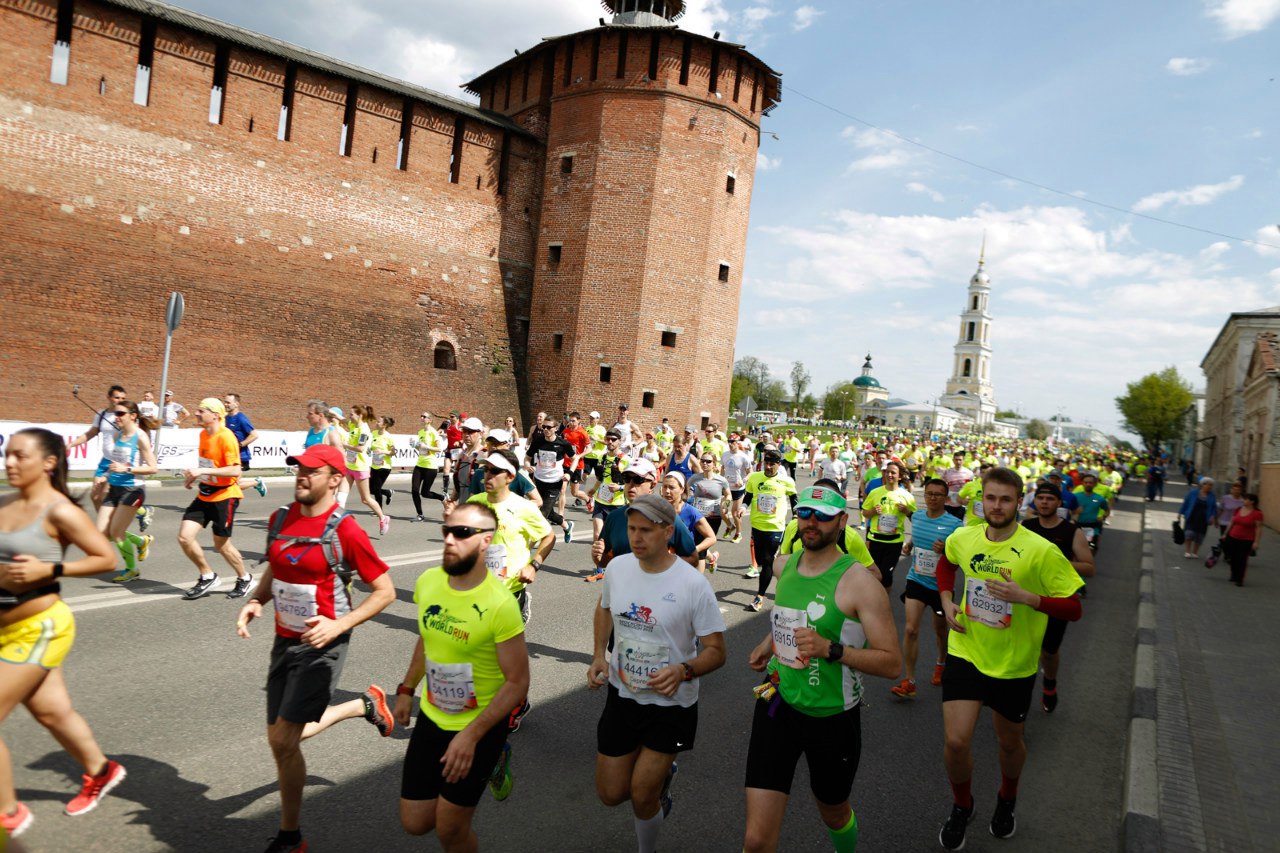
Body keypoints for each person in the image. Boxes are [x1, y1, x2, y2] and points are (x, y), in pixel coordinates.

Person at [234, 444, 397, 853]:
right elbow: (277, 563)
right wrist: (257, 600)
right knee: (280, 739)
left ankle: (291, 837)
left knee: (285, 741)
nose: (301, 477)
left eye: (311, 471)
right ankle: (362, 705)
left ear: (335, 479)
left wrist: (338, 625)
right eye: (298, 470)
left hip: (325, 643)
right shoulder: (280, 518)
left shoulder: (345, 530)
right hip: (285, 639)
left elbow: (385, 591)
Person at [741, 484, 900, 853]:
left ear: (842, 521)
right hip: (778, 703)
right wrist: (769, 644)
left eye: (824, 516)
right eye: (806, 513)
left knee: (833, 812)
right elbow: (789, 616)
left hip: (832, 719)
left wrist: (832, 649)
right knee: (756, 839)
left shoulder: (861, 583)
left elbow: (892, 663)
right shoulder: (785, 565)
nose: (812, 522)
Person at [934, 467, 1084, 849]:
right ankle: (961, 805)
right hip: (966, 649)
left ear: (1020, 502)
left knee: (1009, 743)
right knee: (955, 742)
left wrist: (1029, 598)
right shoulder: (964, 537)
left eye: (1005, 499)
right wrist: (948, 600)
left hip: (1013, 663)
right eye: (990, 498)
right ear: (980, 499)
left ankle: (1007, 798)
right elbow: (947, 564)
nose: (996, 506)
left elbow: (1073, 607)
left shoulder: (1041, 550)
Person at [0, 428, 123, 838]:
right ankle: (101, 771)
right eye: (7, 454)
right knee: (52, 712)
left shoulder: (59, 511)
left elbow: (106, 558)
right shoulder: (6, 504)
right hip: (6, 629)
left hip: (40, 627)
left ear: (49, 462)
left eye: (20, 455)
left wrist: (49, 569)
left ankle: (7, 815)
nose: (10, 462)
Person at [587, 494, 727, 853]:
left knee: (640, 796)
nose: (636, 537)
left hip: (671, 705)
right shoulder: (618, 568)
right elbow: (604, 609)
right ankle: (661, 781)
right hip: (623, 695)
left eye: (646, 530)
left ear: (668, 532)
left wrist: (683, 670)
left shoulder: (692, 584)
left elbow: (716, 652)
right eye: (632, 529)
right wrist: (598, 657)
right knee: (609, 794)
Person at [389, 501, 531, 851]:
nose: (450, 540)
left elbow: (518, 683)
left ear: (485, 541)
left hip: (479, 728)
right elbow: (427, 638)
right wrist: (407, 688)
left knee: (450, 830)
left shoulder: (500, 604)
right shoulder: (428, 582)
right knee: (415, 822)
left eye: (462, 533)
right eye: (447, 531)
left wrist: (471, 736)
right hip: (434, 719)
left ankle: (494, 753)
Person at [459, 448, 554, 635]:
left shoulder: (524, 508)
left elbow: (549, 536)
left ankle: (522, 603)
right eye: (486, 470)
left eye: (495, 471)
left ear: (510, 477)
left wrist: (534, 565)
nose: (488, 476)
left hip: (510, 588)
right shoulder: (474, 503)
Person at [1021, 483, 1095, 713]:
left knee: (1049, 651)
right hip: (1025, 597)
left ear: (1059, 503)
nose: (1044, 502)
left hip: (1056, 599)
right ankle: (1017, 695)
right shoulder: (1027, 526)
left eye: (1049, 499)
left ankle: (1049, 684)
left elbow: (1089, 567)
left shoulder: (1071, 531)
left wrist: (1058, 563)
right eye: (1040, 498)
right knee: (1023, 649)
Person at [891, 477, 963, 698]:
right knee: (911, 629)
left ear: (946, 497)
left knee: (940, 631)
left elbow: (960, 558)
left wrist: (946, 551)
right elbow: (919, 538)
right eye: (929, 494)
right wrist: (910, 544)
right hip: (917, 580)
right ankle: (909, 680)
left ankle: (941, 662)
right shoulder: (919, 517)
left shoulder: (955, 525)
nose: (932, 498)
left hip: (941, 586)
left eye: (937, 495)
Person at [177, 398, 254, 600]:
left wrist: (202, 469)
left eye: (201, 411)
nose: (196, 414)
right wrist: (194, 476)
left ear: (215, 415)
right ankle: (207, 575)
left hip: (225, 496)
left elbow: (235, 470)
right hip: (205, 493)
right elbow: (208, 464)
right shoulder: (203, 434)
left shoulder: (226, 437)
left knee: (221, 545)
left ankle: (244, 578)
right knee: (185, 537)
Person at [588, 458, 698, 582]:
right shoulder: (614, 517)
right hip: (623, 591)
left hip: (657, 594)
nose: (631, 484)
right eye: (627, 479)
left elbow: (693, 558)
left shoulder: (667, 517)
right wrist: (597, 558)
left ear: (652, 485)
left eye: (638, 480)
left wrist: (661, 567)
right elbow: (605, 561)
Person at [95, 401, 159, 583]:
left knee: (116, 532)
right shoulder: (118, 434)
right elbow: (114, 463)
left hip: (132, 489)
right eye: (116, 413)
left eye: (121, 413)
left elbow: (153, 468)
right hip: (114, 488)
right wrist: (105, 476)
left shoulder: (140, 437)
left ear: (133, 415)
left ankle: (132, 570)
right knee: (102, 533)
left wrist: (127, 470)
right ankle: (140, 542)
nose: (117, 417)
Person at [742, 448, 798, 611]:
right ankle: (780, 571)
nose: (767, 467)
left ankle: (759, 596)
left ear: (778, 465)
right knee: (761, 561)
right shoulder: (755, 477)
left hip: (775, 526)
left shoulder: (786, 481)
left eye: (771, 464)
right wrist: (743, 507)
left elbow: (794, 498)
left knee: (767, 560)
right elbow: (749, 495)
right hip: (757, 525)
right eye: (766, 463)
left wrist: (795, 516)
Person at [66, 384, 127, 512]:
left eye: (123, 398)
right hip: (105, 460)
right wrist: (71, 445)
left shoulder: (125, 416)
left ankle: (109, 526)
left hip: (119, 461)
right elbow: (90, 434)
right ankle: (104, 524)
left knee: (106, 496)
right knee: (94, 495)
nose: (120, 401)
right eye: (117, 397)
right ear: (109, 398)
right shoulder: (102, 414)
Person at [860, 461, 917, 590]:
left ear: (900, 476)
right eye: (887, 472)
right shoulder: (875, 492)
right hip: (875, 540)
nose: (889, 475)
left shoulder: (907, 496)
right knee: (874, 574)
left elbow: (916, 519)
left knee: (886, 575)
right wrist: (873, 511)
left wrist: (907, 511)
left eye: (893, 472)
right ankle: (872, 600)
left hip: (894, 542)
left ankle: (884, 603)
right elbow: (865, 513)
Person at [525, 416, 577, 544]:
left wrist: (569, 473)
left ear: (556, 428)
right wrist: (527, 465)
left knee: (542, 514)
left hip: (554, 483)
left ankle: (531, 543)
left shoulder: (562, 443)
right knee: (548, 511)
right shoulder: (538, 441)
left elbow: (575, 458)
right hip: (539, 481)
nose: (545, 429)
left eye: (549, 427)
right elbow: (527, 457)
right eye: (544, 427)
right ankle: (566, 526)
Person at [340, 405, 389, 535]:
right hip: (349, 466)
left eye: (352, 414)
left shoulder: (364, 430)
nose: (349, 416)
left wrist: (344, 445)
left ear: (360, 415)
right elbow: (342, 419)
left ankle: (383, 518)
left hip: (360, 468)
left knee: (365, 499)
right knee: (340, 497)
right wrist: (331, 414)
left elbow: (361, 449)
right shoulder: (352, 425)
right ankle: (336, 527)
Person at [659, 472, 716, 573]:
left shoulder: (691, 512)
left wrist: (694, 550)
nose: (667, 491)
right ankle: (712, 557)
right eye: (664, 487)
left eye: (672, 487)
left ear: (682, 489)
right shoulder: (657, 510)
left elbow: (711, 537)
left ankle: (711, 557)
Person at [687, 454, 730, 571]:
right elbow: (686, 493)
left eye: (708, 461)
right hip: (697, 518)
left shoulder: (721, 480)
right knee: (699, 546)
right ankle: (711, 559)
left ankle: (710, 561)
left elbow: (728, 495)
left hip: (713, 518)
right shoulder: (694, 478)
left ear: (714, 464)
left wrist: (725, 504)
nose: (705, 463)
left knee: (701, 547)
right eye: (703, 461)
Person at [223, 393, 268, 498]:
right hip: (229, 456)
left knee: (233, 485)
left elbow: (254, 435)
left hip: (240, 457)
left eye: (228, 402)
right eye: (225, 402)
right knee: (227, 484)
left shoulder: (241, 418)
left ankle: (256, 483)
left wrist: (239, 445)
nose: (225, 404)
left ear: (236, 404)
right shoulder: (225, 418)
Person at [411, 411, 447, 521]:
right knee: (414, 490)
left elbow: (439, 448)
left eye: (424, 416)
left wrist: (427, 447)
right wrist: (415, 446)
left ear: (430, 420)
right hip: (419, 465)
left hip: (430, 467)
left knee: (425, 493)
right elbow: (421, 448)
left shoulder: (433, 433)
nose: (421, 418)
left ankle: (442, 497)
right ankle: (420, 514)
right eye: (421, 416)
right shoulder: (420, 432)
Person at [1221, 493, 1263, 586]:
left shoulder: (1257, 514)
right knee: (1232, 557)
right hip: (1233, 537)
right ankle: (1233, 574)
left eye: (1246, 499)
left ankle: (1240, 579)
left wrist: (1256, 542)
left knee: (1242, 559)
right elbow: (1231, 522)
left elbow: (1259, 528)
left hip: (1246, 540)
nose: (1243, 501)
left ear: (1252, 502)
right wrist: (1225, 533)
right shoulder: (1238, 510)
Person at [1177, 477, 1217, 560]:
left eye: (1210, 485)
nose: (1209, 487)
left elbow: (1214, 508)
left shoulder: (1212, 496)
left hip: (1203, 519)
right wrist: (1180, 513)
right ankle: (1187, 551)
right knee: (1189, 534)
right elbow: (1186, 503)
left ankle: (1195, 552)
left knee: (1199, 536)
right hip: (1192, 516)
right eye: (1207, 484)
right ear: (1202, 485)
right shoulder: (1193, 493)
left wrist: (1213, 516)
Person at [369, 415, 397, 509]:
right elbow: (370, 446)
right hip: (374, 465)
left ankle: (378, 509)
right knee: (371, 490)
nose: (376, 423)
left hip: (384, 466)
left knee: (376, 489)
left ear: (384, 425)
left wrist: (383, 451)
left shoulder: (388, 437)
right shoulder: (373, 433)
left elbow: (393, 452)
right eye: (377, 421)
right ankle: (387, 492)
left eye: (379, 422)